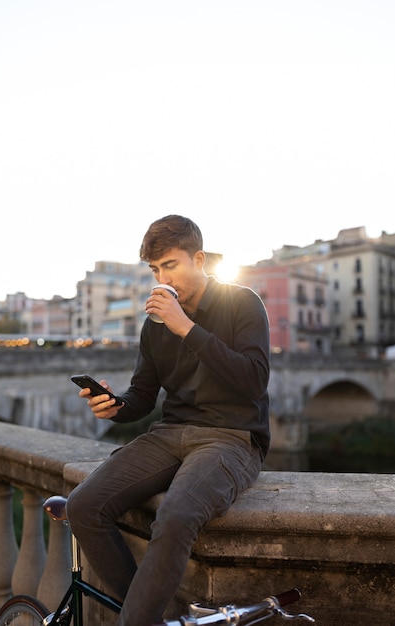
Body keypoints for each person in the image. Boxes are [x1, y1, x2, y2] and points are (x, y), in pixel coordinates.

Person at [66, 215, 270, 626]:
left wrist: (186, 328)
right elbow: (143, 396)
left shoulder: (242, 302)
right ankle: (145, 616)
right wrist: (115, 406)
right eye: (155, 269)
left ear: (199, 259)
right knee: (83, 506)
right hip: (170, 434)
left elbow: (254, 380)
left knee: (175, 516)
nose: (162, 277)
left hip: (231, 437)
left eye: (170, 265)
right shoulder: (153, 325)